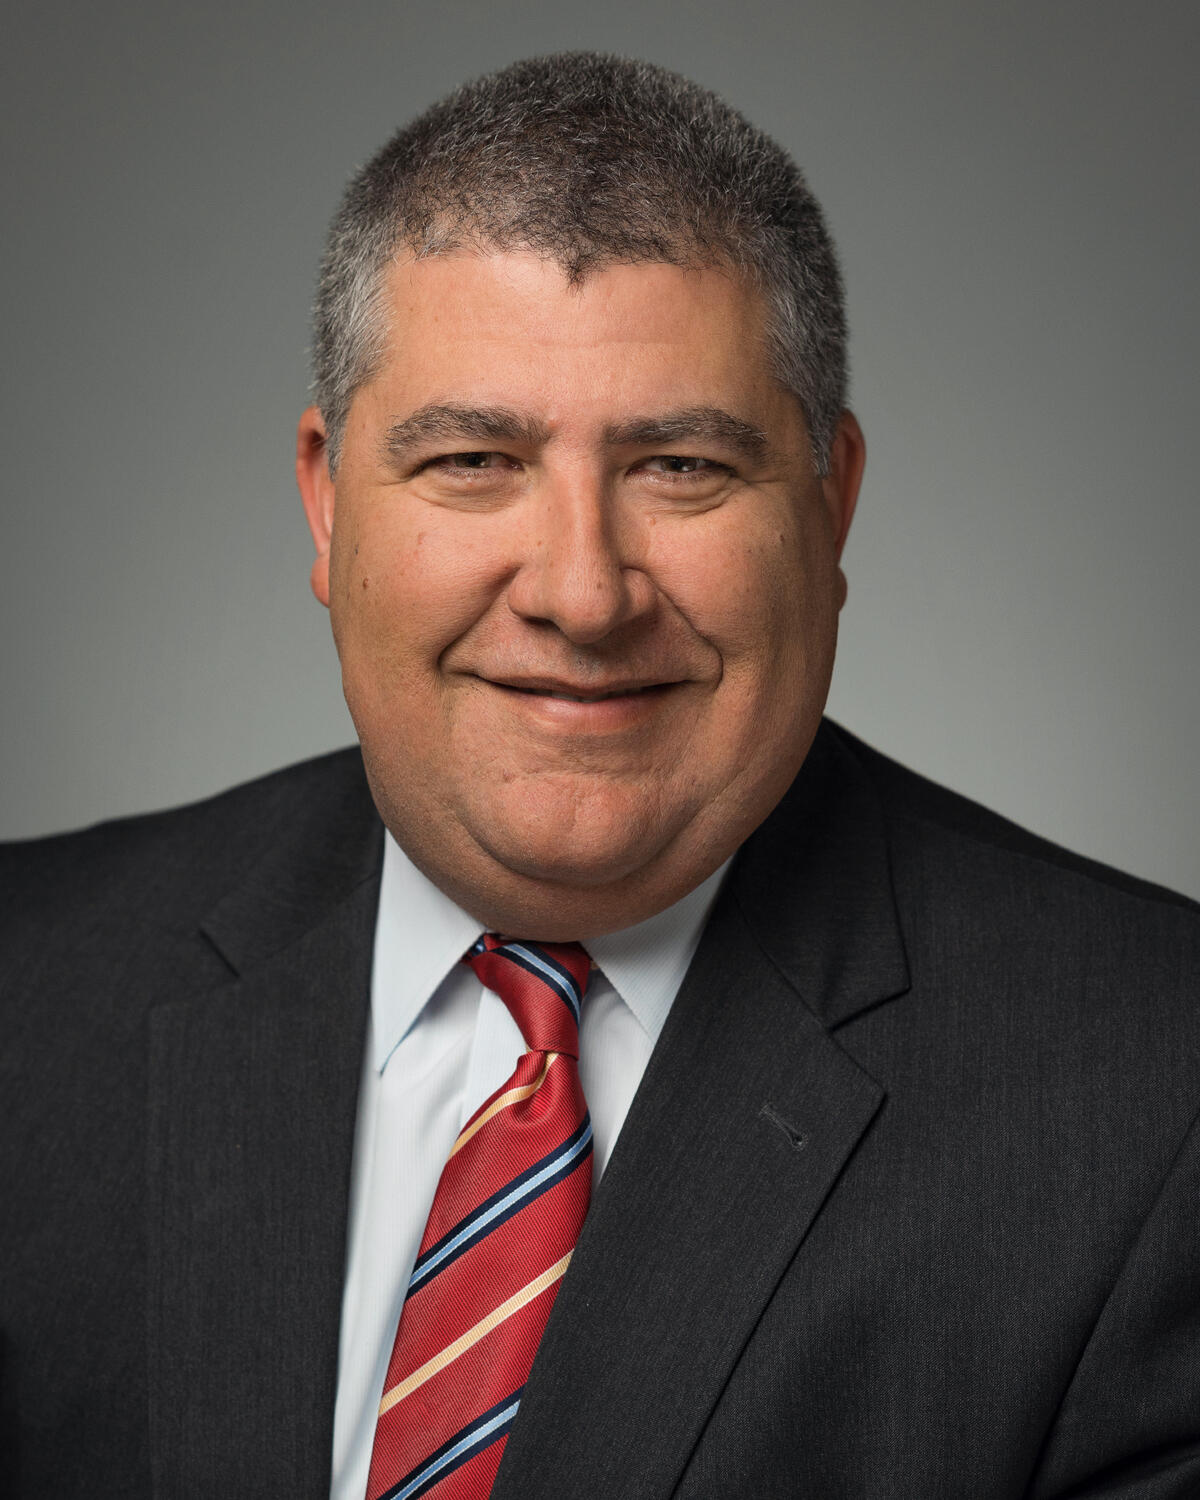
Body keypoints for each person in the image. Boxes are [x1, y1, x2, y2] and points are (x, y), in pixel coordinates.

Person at [2, 51, 1198, 1500]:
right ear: (326, 502)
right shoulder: (28, 993)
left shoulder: (1155, 1095)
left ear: (832, 505)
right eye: (473, 459)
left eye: (682, 466)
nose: (581, 593)